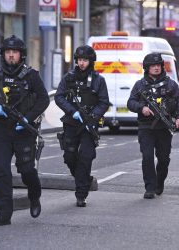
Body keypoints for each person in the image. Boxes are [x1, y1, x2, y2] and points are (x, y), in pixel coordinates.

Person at [0, 35, 49, 225]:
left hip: (24, 130)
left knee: (26, 171)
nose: (11, 56)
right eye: (8, 52)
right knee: (0, 169)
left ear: (21, 55)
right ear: (3, 54)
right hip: (2, 130)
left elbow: (44, 99)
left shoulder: (31, 75)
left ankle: (34, 196)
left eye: (14, 52)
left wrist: (28, 118)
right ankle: (4, 213)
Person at [54, 45, 109, 207]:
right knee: (69, 157)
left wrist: (93, 116)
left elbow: (103, 102)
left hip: (89, 125)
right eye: (79, 60)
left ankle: (81, 194)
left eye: (85, 60)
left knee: (86, 157)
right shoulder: (69, 78)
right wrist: (72, 111)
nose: (82, 63)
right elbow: (59, 97)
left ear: (91, 62)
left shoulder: (99, 80)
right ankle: (84, 179)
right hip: (71, 123)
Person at [127, 53, 179, 199]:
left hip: (164, 128)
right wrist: (142, 108)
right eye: (152, 66)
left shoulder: (170, 84)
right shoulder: (140, 85)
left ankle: (159, 182)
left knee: (164, 159)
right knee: (147, 157)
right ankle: (149, 187)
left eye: (158, 65)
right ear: (147, 68)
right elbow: (130, 102)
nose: (156, 68)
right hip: (146, 127)